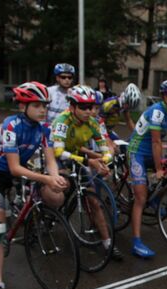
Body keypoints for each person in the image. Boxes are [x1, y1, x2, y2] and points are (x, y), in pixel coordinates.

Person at [0, 82, 68, 289]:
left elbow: (50, 161)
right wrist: (46, 178)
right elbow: (14, 168)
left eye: (45, 106)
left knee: (55, 197)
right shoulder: (11, 125)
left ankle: (18, 225)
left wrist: (55, 177)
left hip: (20, 168)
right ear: (23, 105)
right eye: (37, 105)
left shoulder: (44, 128)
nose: (42, 110)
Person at [51, 85, 121, 261]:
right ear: (72, 107)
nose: (88, 111)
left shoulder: (93, 122)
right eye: (83, 107)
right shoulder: (62, 121)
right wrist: (90, 161)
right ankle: (49, 213)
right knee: (60, 189)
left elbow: (105, 148)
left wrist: (105, 161)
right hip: (56, 156)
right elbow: (58, 153)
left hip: (76, 156)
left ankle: (107, 243)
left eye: (91, 107)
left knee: (94, 201)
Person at [126, 79, 167, 259]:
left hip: (153, 151)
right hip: (137, 152)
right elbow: (156, 142)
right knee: (140, 196)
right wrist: (158, 169)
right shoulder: (157, 112)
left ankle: (154, 200)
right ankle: (137, 242)